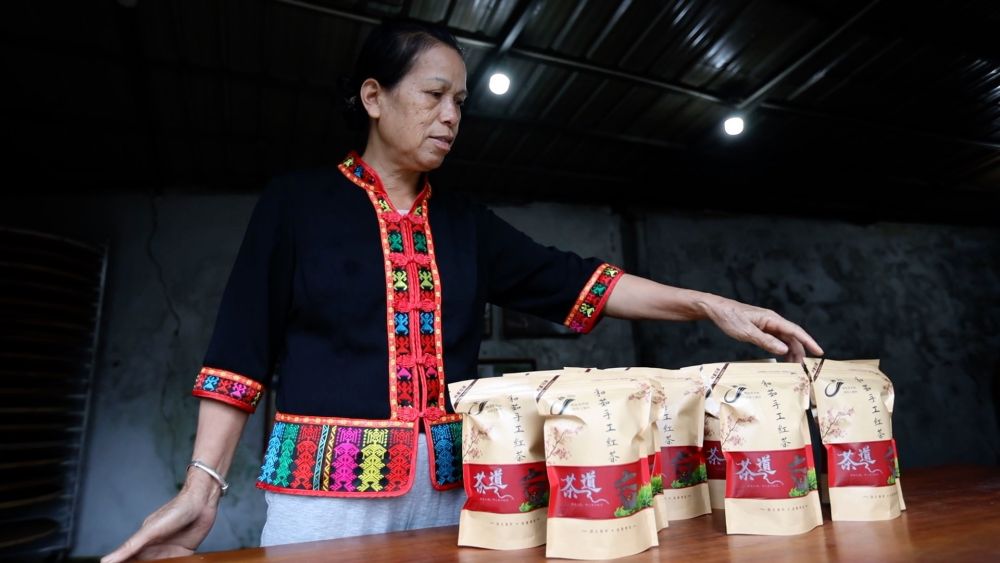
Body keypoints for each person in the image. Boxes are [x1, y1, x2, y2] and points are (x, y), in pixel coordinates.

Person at [103, 19, 822, 562]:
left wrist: (708, 304)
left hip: (454, 491)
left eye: (460, 102)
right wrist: (201, 486)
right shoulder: (296, 204)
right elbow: (239, 352)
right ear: (374, 97)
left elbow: (578, 281)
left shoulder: (464, 223)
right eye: (434, 95)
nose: (451, 116)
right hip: (323, 495)